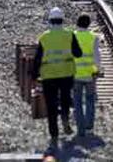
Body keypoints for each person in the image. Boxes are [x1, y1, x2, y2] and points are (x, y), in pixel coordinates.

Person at [32, 7, 82, 144]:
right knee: (65, 99)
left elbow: (38, 58)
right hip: (66, 73)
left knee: (51, 104)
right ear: (62, 20)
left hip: (49, 75)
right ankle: (65, 118)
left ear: (50, 20)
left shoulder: (44, 37)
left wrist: (34, 75)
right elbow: (78, 53)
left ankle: (54, 133)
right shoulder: (70, 34)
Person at [73, 13, 101, 137]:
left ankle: (80, 129)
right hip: (90, 74)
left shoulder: (72, 36)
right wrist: (98, 69)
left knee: (77, 101)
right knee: (90, 100)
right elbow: (97, 57)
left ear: (77, 23)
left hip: (75, 75)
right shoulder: (93, 37)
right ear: (89, 24)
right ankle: (89, 126)